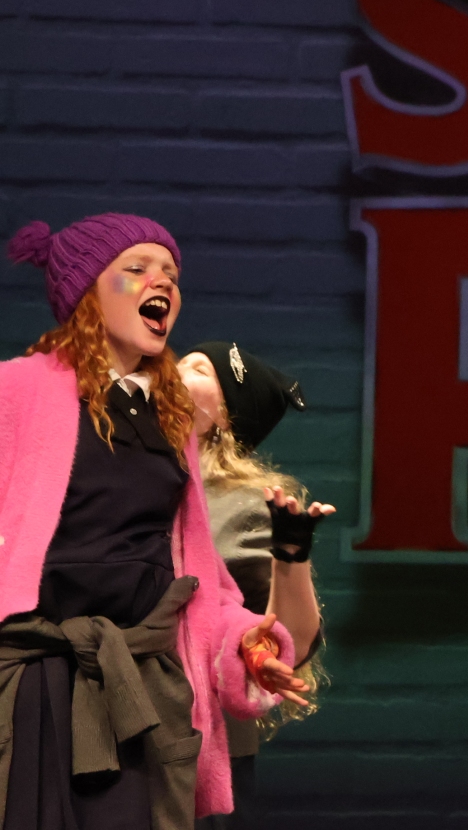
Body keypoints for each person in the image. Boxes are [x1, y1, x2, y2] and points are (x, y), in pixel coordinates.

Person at [0, 214, 309, 829]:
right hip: (36, 685)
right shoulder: (19, 391)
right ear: (87, 291)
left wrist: (247, 645)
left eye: (170, 272)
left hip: (141, 689)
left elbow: (196, 578)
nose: (161, 281)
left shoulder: (168, 419)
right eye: (136, 269)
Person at [177, 341, 332, 830]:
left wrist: (291, 557)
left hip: (201, 747)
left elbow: (291, 641)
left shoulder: (240, 505)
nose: (176, 369)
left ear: (224, 417)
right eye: (180, 360)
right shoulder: (118, 476)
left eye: (198, 369)